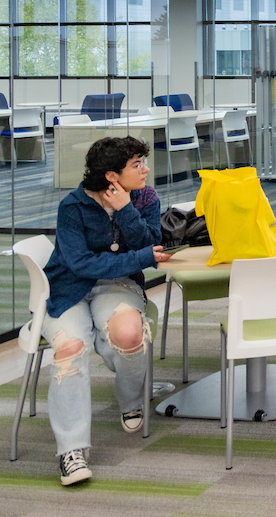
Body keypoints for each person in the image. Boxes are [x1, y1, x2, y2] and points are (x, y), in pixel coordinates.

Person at [42, 136, 171, 486]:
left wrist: (127, 209)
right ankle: (71, 451)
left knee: (128, 335)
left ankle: (131, 399)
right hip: (69, 289)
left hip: (118, 284)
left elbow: (150, 242)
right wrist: (142, 258)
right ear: (112, 176)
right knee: (70, 349)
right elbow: (82, 263)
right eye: (137, 165)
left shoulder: (145, 198)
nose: (145, 169)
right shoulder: (73, 206)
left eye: (143, 161)